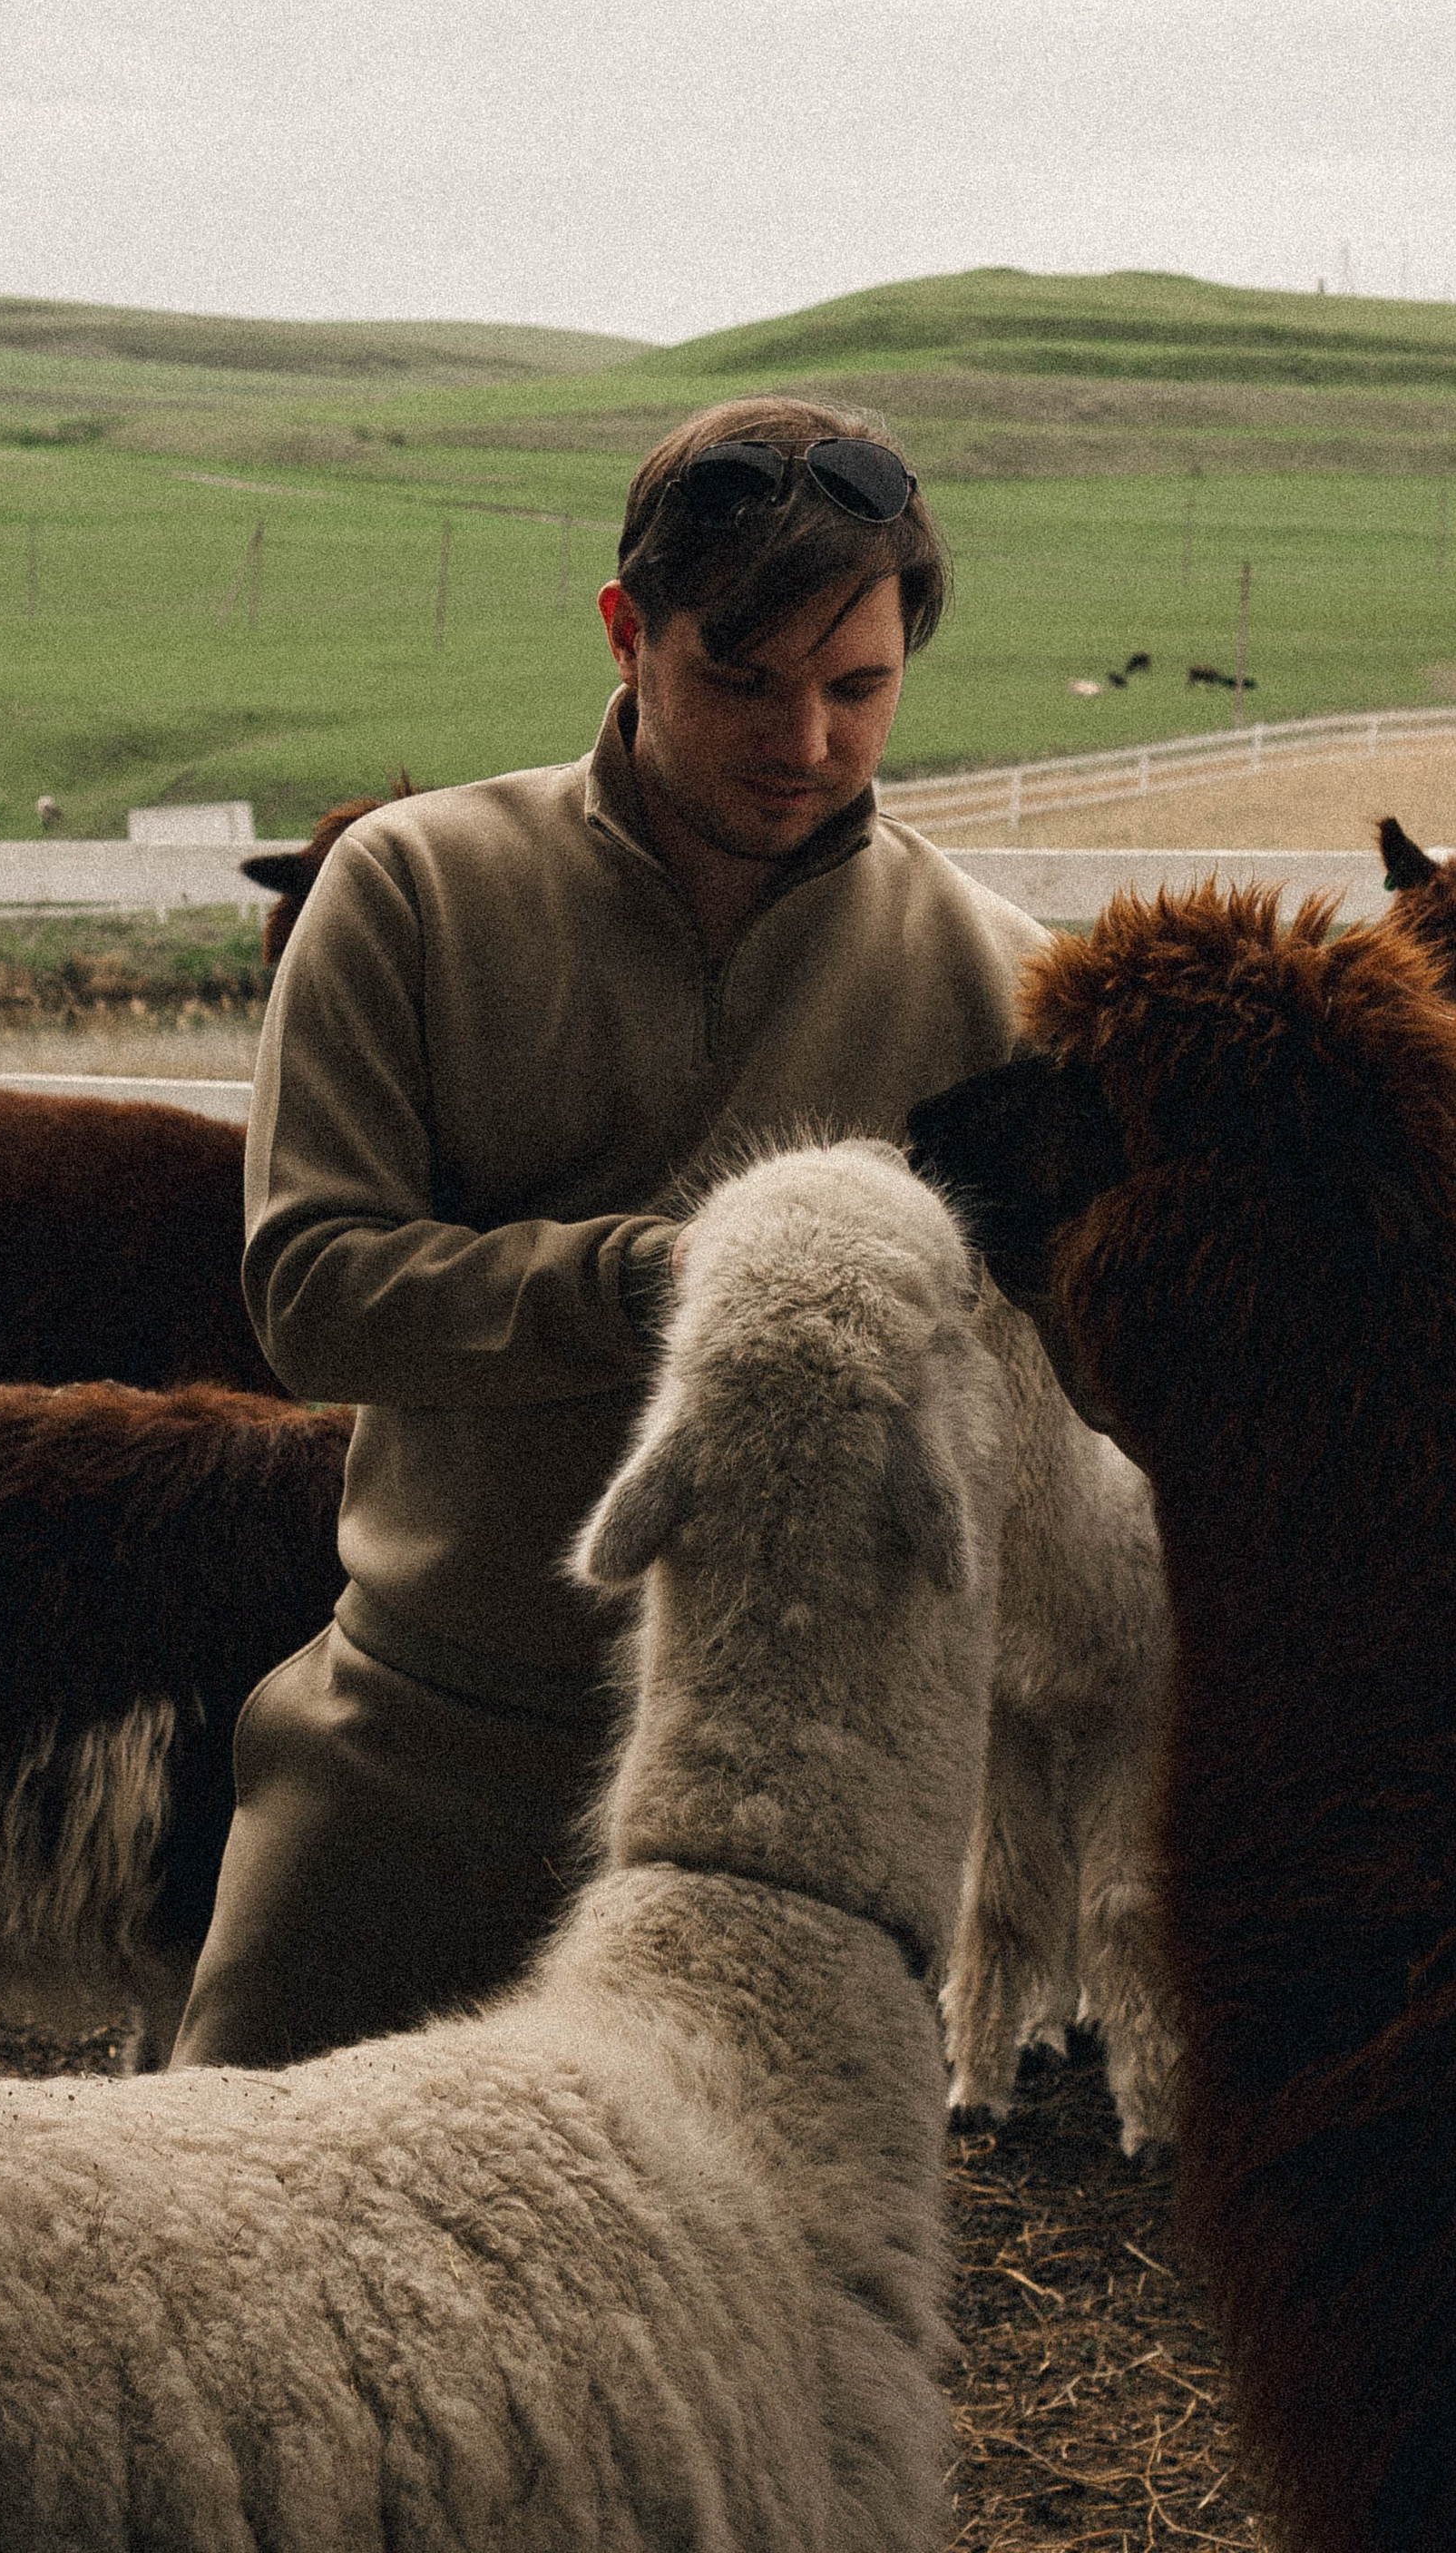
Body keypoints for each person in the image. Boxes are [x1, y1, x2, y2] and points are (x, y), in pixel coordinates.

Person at [171, 395, 1050, 2069]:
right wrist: (693, 1279)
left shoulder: (996, 980)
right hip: (421, 1749)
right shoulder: (411, 895)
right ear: (626, 631)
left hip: (797, 1822)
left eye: (856, 687)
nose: (803, 739)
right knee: (225, 2256)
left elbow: (1106, 1377)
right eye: (740, 678)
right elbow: (312, 1296)